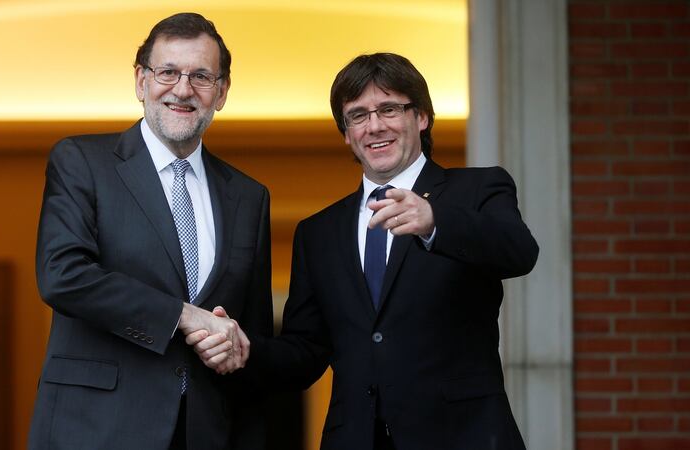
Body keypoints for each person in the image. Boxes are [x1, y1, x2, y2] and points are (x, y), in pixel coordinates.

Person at [192, 52, 539, 449]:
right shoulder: (318, 232)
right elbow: (306, 351)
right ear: (346, 134)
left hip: (464, 435)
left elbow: (518, 251)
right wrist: (244, 349)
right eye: (358, 116)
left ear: (421, 117)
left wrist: (434, 221)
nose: (374, 126)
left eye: (389, 109)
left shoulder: (476, 190)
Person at [28, 12, 272, 450]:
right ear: (141, 81)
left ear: (222, 92)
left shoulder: (250, 198)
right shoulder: (82, 162)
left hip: (207, 432)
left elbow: (250, 336)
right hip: (95, 431)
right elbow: (62, 275)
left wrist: (237, 351)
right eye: (168, 72)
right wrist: (182, 314)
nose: (183, 89)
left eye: (201, 76)